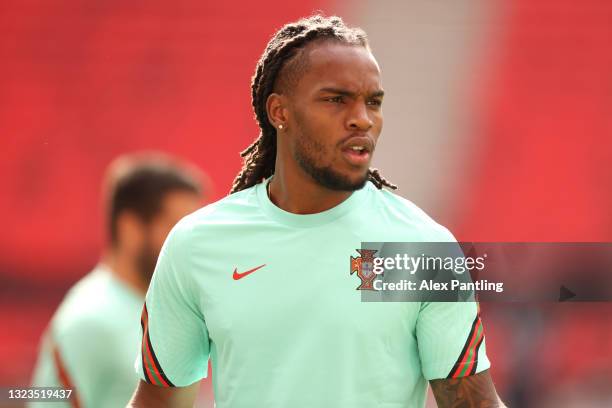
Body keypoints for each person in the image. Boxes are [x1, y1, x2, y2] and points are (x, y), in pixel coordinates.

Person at [129, 15, 505, 408]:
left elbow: (474, 405)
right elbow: (157, 402)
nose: (362, 118)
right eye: (336, 99)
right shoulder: (197, 245)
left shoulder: (421, 249)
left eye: (373, 102)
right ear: (280, 112)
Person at [30, 153, 205, 407]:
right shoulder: (89, 319)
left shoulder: (160, 306)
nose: (191, 244)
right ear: (130, 228)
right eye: (176, 228)